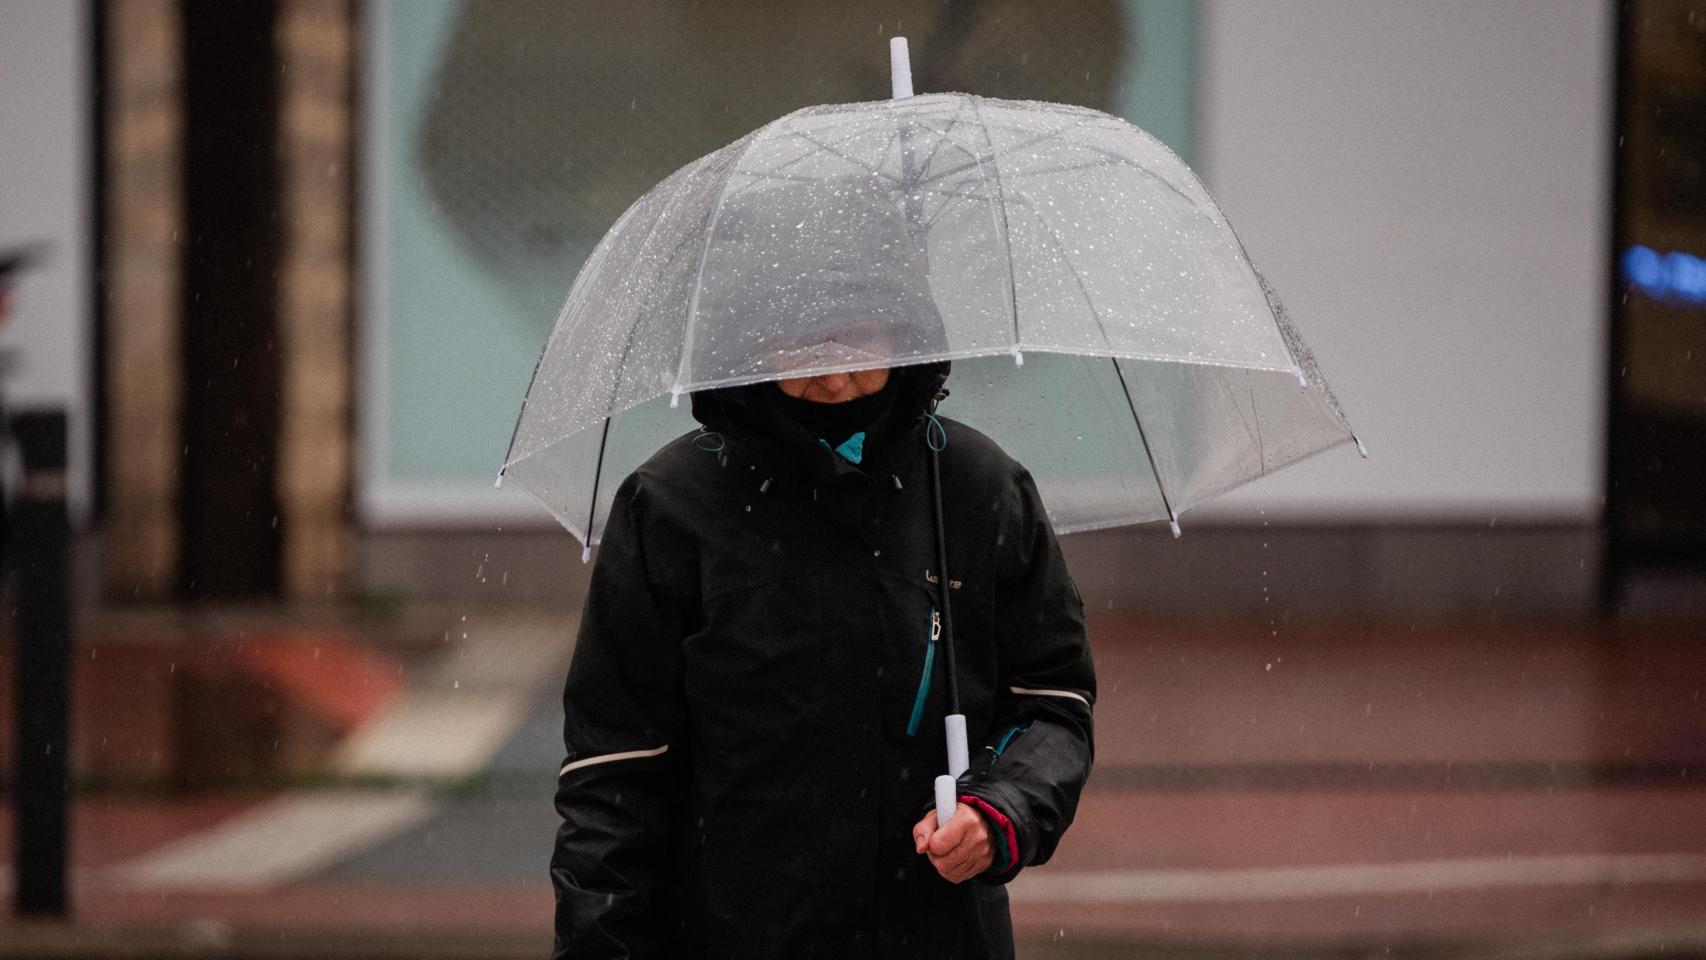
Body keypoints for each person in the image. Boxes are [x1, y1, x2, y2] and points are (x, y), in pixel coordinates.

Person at [549, 346, 1095, 958]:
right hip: (730, 934)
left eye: (857, 340)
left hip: (939, 935)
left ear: (906, 326)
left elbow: (1053, 701)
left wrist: (1000, 808)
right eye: (804, 346)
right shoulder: (670, 507)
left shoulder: (976, 487)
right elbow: (615, 772)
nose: (834, 379)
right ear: (750, 335)